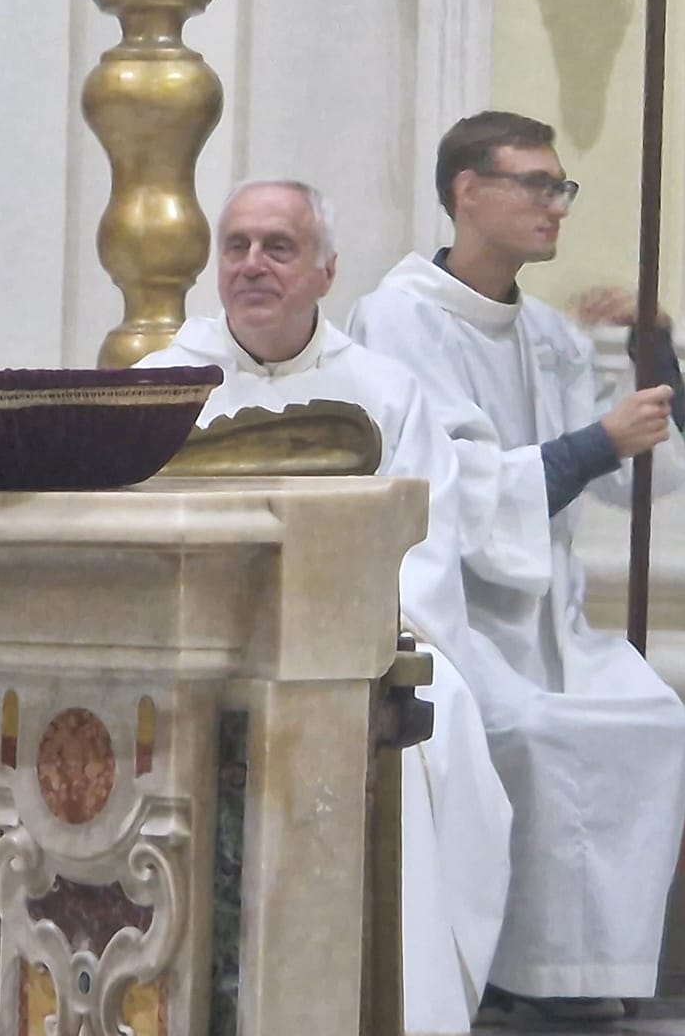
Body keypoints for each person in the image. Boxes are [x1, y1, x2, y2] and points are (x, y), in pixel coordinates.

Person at [136, 180, 512, 1036]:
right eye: (237, 246)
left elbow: (423, 549)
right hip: (184, 645)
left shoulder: (384, 392)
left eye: (278, 247)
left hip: (356, 642)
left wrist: (361, 628)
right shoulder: (161, 385)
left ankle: (392, 1004)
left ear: (325, 270)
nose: (252, 265)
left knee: (437, 726)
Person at [349, 110, 685, 1022]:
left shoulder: (548, 334)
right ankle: (512, 969)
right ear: (469, 191)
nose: (557, 207)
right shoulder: (396, 321)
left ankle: (584, 971)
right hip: (451, 620)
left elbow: (628, 482)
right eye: (538, 186)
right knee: (534, 734)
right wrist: (591, 444)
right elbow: (444, 491)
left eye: (560, 188)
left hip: (552, 622)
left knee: (656, 718)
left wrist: (651, 349)